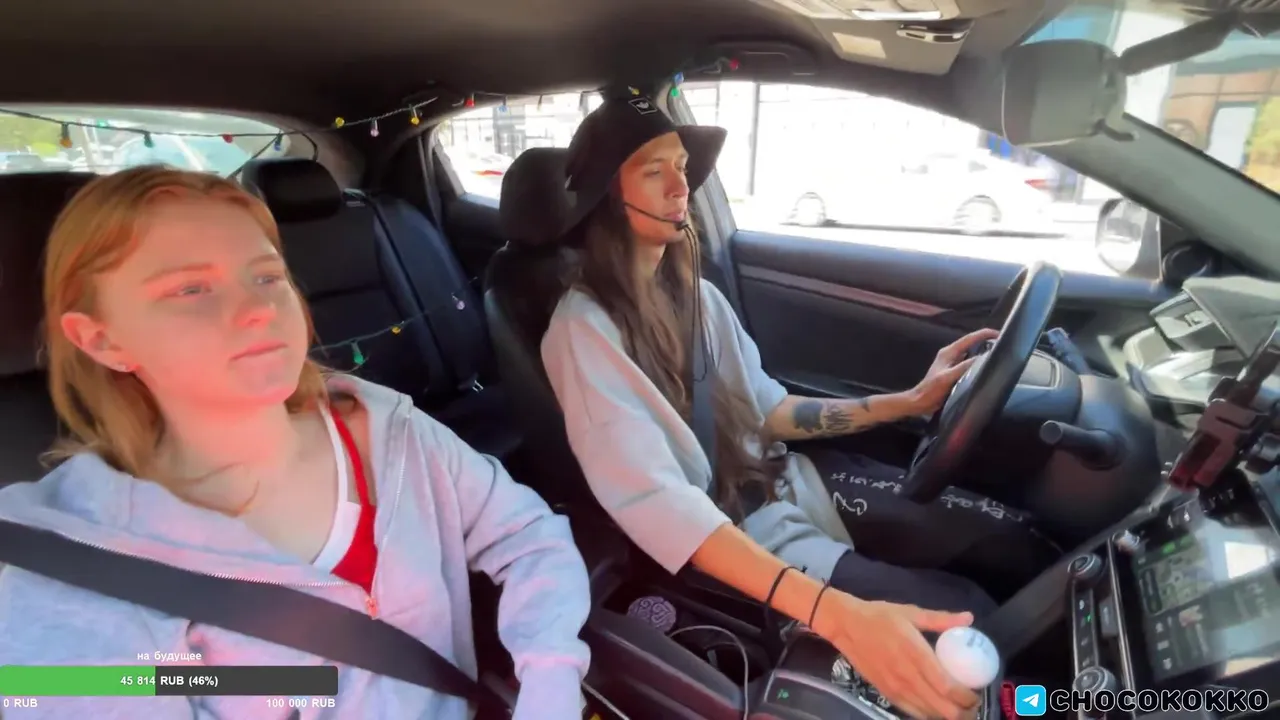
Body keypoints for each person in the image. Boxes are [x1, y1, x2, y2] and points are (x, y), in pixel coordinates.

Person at [0, 167, 591, 719]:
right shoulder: (68, 567)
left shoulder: (389, 429)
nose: (259, 309)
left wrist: (550, 687)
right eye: (191, 289)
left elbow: (527, 537)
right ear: (102, 341)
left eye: (267, 276)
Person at [540, 94, 1003, 720]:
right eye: (654, 170)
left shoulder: (698, 297)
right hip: (738, 539)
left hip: (787, 483)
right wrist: (835, 613)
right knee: (972, 618)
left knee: (1002, 547)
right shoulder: (582, 334)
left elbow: (768, 410)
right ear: (605, 199)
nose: (681, 185)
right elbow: (660, 506)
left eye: (682, 166)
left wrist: (909, 402)